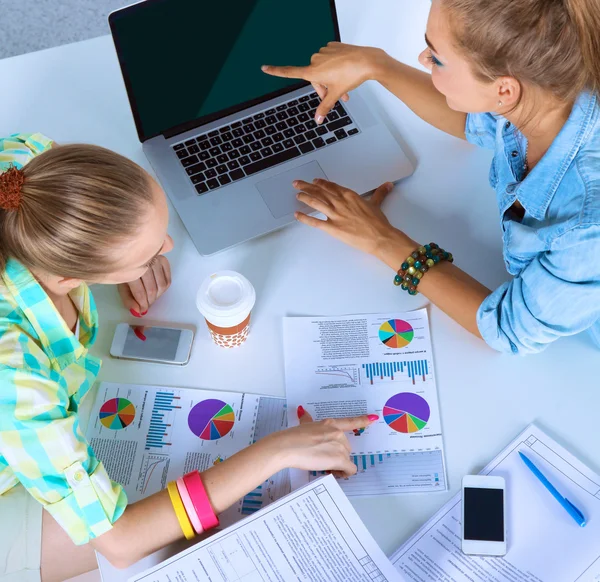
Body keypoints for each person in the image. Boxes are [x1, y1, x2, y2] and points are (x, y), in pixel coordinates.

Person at [0, 133, 378, 582]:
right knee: (148, 537)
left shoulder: (24, 167)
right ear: (69, 275)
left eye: (160, 235)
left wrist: (129, 253)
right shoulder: (16, 374)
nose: (169, 250)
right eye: (152, 254)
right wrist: (275, 452)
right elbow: (120, 542)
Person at [262, 0, 600, 355]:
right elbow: (475, 122)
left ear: (504, 89)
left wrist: (382, 239)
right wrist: (377, 64)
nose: (423, 59)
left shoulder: (587, 228)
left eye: (437, 58)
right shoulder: (551, 88)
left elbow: (507, 329)